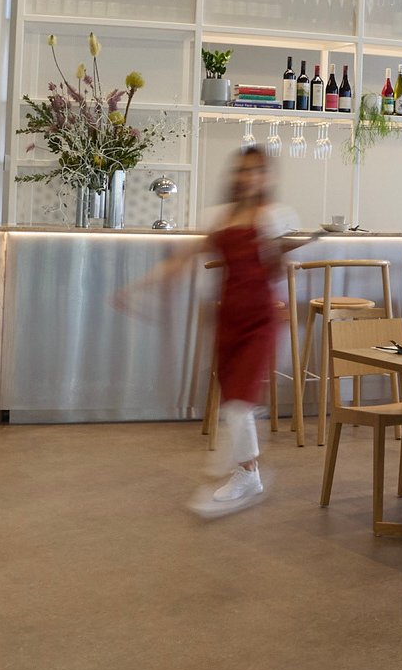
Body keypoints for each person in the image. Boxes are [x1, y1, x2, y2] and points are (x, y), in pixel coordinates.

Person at [121, 146, 305, 517]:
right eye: (243, 170)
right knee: (233, 401)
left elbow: (283, 269)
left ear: (266, 178)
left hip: (260, 319)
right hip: (228, 321)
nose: (249, 177)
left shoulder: (275, 217)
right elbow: (183, 259)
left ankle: (248, 474)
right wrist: (139, 288)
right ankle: (245, 472)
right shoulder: (221, 220)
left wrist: (280, 256)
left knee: (239, 403)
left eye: (256, 171)